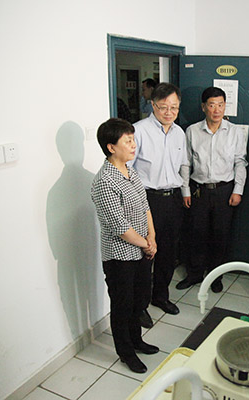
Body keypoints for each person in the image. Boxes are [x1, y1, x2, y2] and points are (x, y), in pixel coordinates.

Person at [90, 118, 160, 373]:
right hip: (120, 256)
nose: (133, 145)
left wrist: (152, 237)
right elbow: (120, 226)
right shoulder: (104, 181)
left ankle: (137, 341)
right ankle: (126, 352)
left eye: (133, 139)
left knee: (139, 300)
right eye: (127, 141)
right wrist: (147, 244)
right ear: (111, 147)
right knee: (123, 305)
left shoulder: (131, 172)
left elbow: (145, 206)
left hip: (141, 250)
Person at [178, 86, 248, 293]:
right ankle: (194, 274)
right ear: (203, 107)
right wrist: (185, 190)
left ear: (225, 106)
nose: (216, 110)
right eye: (211, 105)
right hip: (198, 190)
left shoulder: (235, 132)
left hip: (225, 191)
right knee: (196, 234)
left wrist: (238, 190)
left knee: (221, 235)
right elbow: (185, 163)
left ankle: (216, 276)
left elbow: (240, 162)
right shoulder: (192, 131)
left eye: (220, 105)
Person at [130, 82, 186, 318]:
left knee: (168, 253)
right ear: (153, 105)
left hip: (172, 200)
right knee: (146, 253)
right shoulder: (138, 131)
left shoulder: (179, 133)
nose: (169, 112)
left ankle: (160, 296)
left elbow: (182, 166)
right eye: (163, 107)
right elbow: (128, 171)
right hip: (147, 200)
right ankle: (140, 305)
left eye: (174, 107)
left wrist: (185, 194)